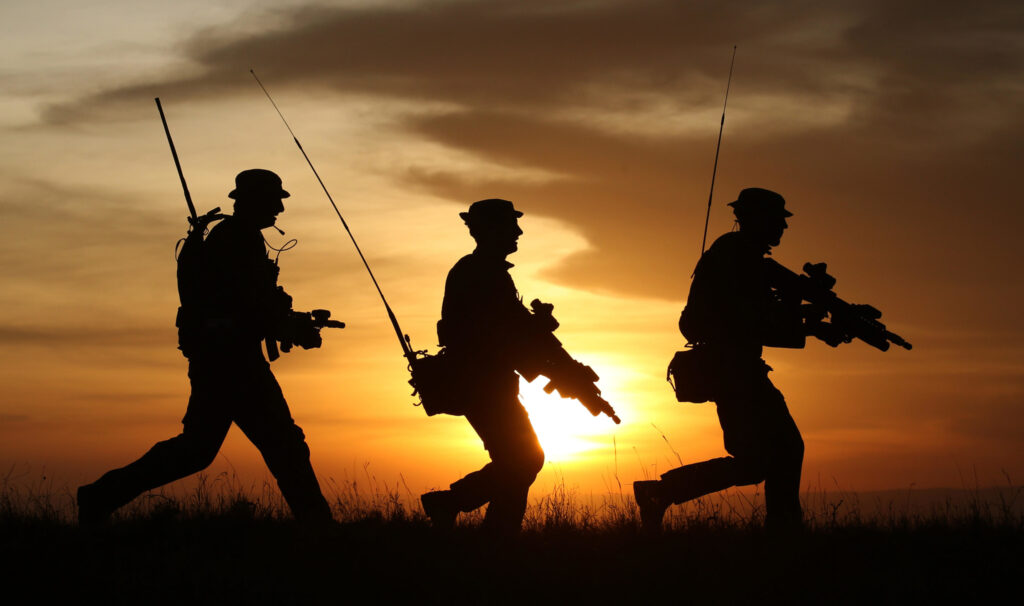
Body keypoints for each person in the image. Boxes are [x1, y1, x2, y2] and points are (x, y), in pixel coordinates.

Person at [77, 169, 332, 525]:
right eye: (274, 201)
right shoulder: (236, 240)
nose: (279, 210)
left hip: (225, 360)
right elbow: (244, 306)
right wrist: (291, 327)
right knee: (282, 445)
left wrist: (292, 321)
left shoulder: (238, 239)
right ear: (254, 201)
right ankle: (319, 528)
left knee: (198, 450)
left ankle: (99, 495)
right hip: (232, 364)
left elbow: (251, 302)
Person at [635, 187, 821, 532]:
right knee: (783, 449)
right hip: (734, 372)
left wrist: (807, 320)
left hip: (737, 369)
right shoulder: (735, 257)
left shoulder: (745, 257)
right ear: (754, 219)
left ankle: (662, 492)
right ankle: (784, 533)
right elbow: (749, 318)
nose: (783, 227)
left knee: (761, 460)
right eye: (777, 220)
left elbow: (759, 313)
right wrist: (807, 325)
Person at [419, 199, 546, 535]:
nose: (518, 232)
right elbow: (491, 330)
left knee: (518, 461)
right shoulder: (478, 272)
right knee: (524, 460)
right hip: (481, 383)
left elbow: (505, 326)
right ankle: (462, 512)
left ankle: (491, 534)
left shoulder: (485, 271)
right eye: (510, 225)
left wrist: (535, 327)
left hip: (490, 382)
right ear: (490, 230)